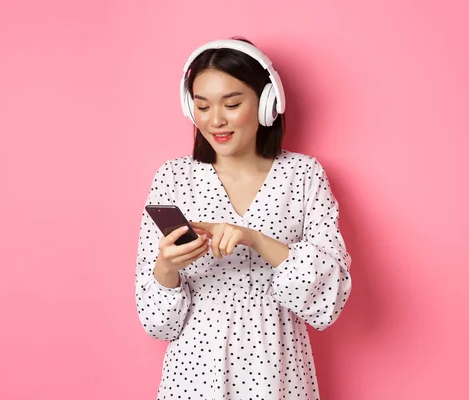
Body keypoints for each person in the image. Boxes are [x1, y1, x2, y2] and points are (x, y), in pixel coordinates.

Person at [134, 36, 352, 400]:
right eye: (202, 107)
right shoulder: (173, 179)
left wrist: (257, 238)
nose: (216, 120)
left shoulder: (303, 176)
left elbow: (328, 300)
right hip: (193, 378)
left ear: (268, 103)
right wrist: (167, 268)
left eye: (232, 104)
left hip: (279, 373)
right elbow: (158, 324)